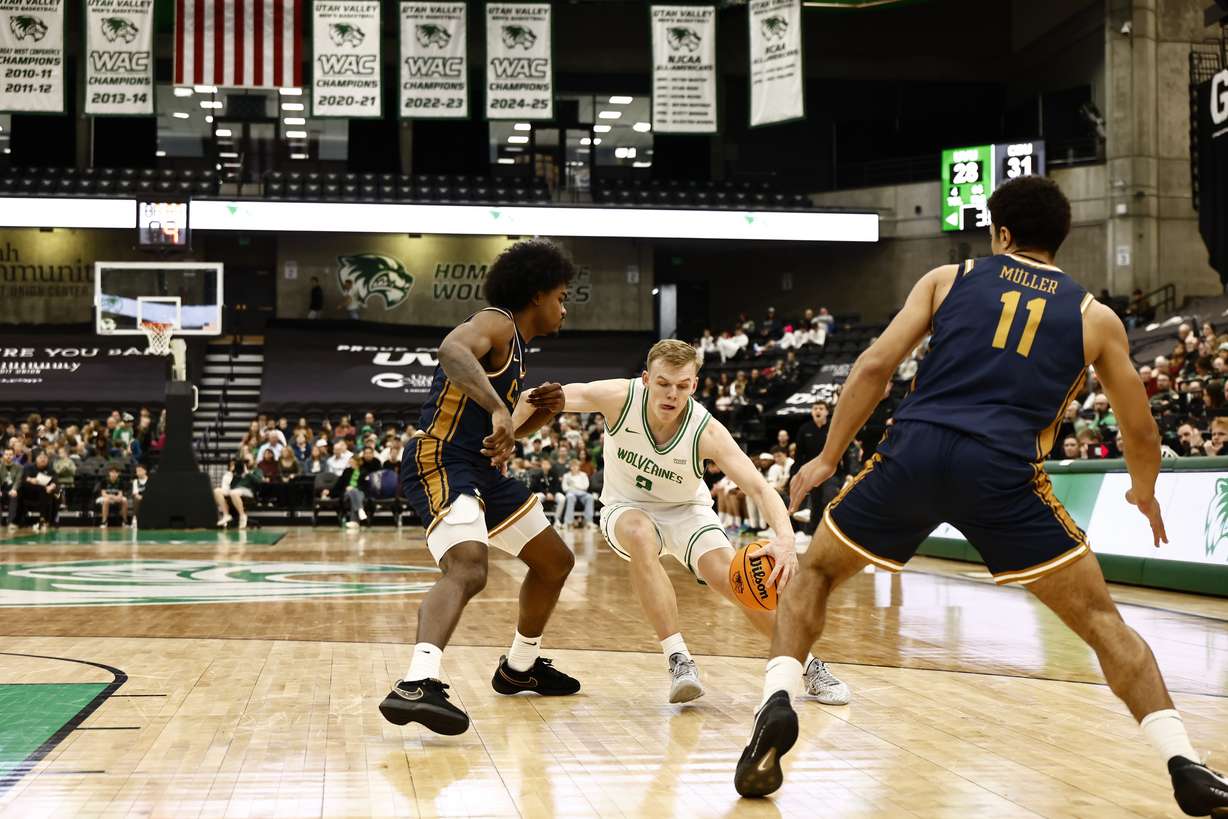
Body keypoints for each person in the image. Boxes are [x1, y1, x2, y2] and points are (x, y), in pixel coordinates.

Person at [733, 175, 1228, 816]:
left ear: (1001, 234)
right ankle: (1183, 762)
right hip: (1002, 471)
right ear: (1060, 238)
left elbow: (876, 366)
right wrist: (1144, 491)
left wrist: (829, 456)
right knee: (1104, 624)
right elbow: (1140, 429)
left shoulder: (948, 278)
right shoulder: (1095, 317)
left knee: (817, 575)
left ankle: (776, 701)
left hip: (914, 453)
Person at [560, 340, 849, 706]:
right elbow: (543, 398)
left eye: (682, 385)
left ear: (694, 385)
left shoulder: (705, 430)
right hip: (627, 506)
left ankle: (805, 664)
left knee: (738, 580)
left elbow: (759, 488)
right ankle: (679, 659)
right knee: (640, 534)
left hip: (687, 510)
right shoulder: (619, 398)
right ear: (646, 379)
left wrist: (785, 538)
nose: (672, 394)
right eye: (664, 383)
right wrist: (504, 422)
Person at [380, 239, 581, 736]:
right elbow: (451, 349)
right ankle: (416, 683)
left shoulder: (518, 353)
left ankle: (519, 667)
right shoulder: (498, 322)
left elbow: (504, 435)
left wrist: (537, 414)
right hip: (440, 457)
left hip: (480, 468)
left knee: (555, 561)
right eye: (560, 296)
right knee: (468, 566)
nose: (564, 307)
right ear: (536, 294)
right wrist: (498, 408)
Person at [17, 451, 59, 530]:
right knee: (20, 490)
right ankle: (19, 521)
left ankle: (48, 521)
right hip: (30, 494)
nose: (43, 459)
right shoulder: (28, 468)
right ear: (36, 459)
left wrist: (52, 486)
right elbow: (23, 478)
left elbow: (55, 481)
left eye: (45, 458)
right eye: (40, 458)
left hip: (46, 494)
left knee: (56, 494)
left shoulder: (51, 469)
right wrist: (30, 479)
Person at [560, 459, 595, 529]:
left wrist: (574, 485)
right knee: (570, 497)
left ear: (579, 467)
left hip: (583, 493)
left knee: (590, 497)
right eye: (572, 466)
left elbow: (586, 486)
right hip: (571, 493)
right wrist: (573, 488)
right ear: (570, 467)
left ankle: (589, 521)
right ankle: (568, 522)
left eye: (576, 466)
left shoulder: (583, 475)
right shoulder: (566, 476)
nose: (574, 467)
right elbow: (564, 488)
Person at [1, 447, 21, 529]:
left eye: (10, 454)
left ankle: (10, 522)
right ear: (3, 455)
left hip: (12, 489)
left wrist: (14, 489)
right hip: (2, 489)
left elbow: (18, 480)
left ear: (14, 456)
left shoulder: (19, 467)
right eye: (6, 454)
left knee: (14, 496)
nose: (8, 456)